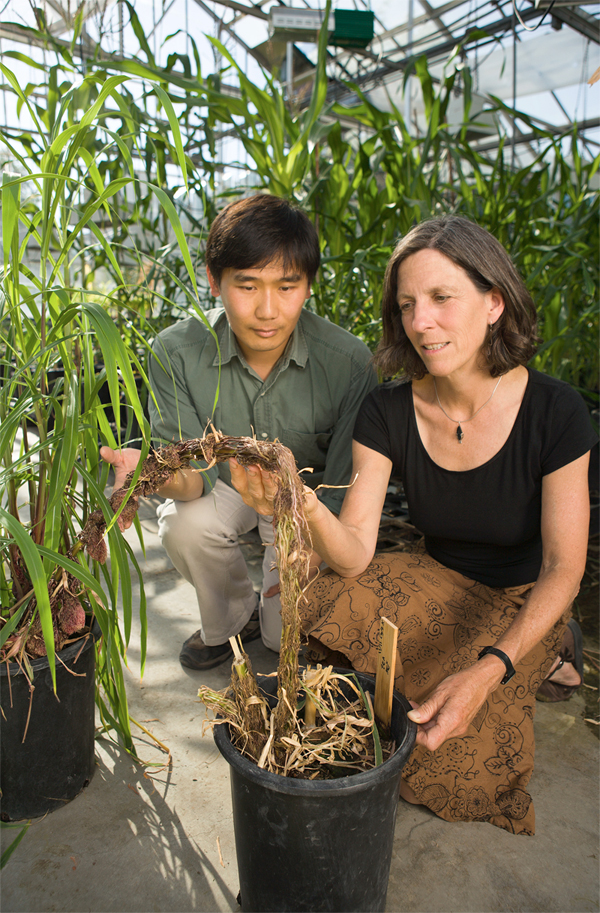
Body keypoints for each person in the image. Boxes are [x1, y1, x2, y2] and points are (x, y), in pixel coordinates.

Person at [231, 215, 597, 835]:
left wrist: (489, 670)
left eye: (441, 298)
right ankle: (510, 666)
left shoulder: (554, 410)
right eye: (407, 305)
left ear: (493, 303)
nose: (421, 321)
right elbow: (352, 554)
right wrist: (297, 498)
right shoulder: (389, 409)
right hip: (433, 579)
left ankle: (551, 647)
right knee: (326, 598)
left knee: (457, 770)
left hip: (520, 598)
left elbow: (566, 566)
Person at [101, 193, 377, 670]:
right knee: (185, 524)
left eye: (287, 286)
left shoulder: (348, 362)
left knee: (279, 642)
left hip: (304, 499)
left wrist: (307, 559)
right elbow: (191, 480)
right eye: (247, 286)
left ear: (308, 286)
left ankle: (268, 620)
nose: (268, 310)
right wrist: (150, 474)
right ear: (215, 281)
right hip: (225, 486)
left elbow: (342, 494)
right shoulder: (176, 352)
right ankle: (233, 618)